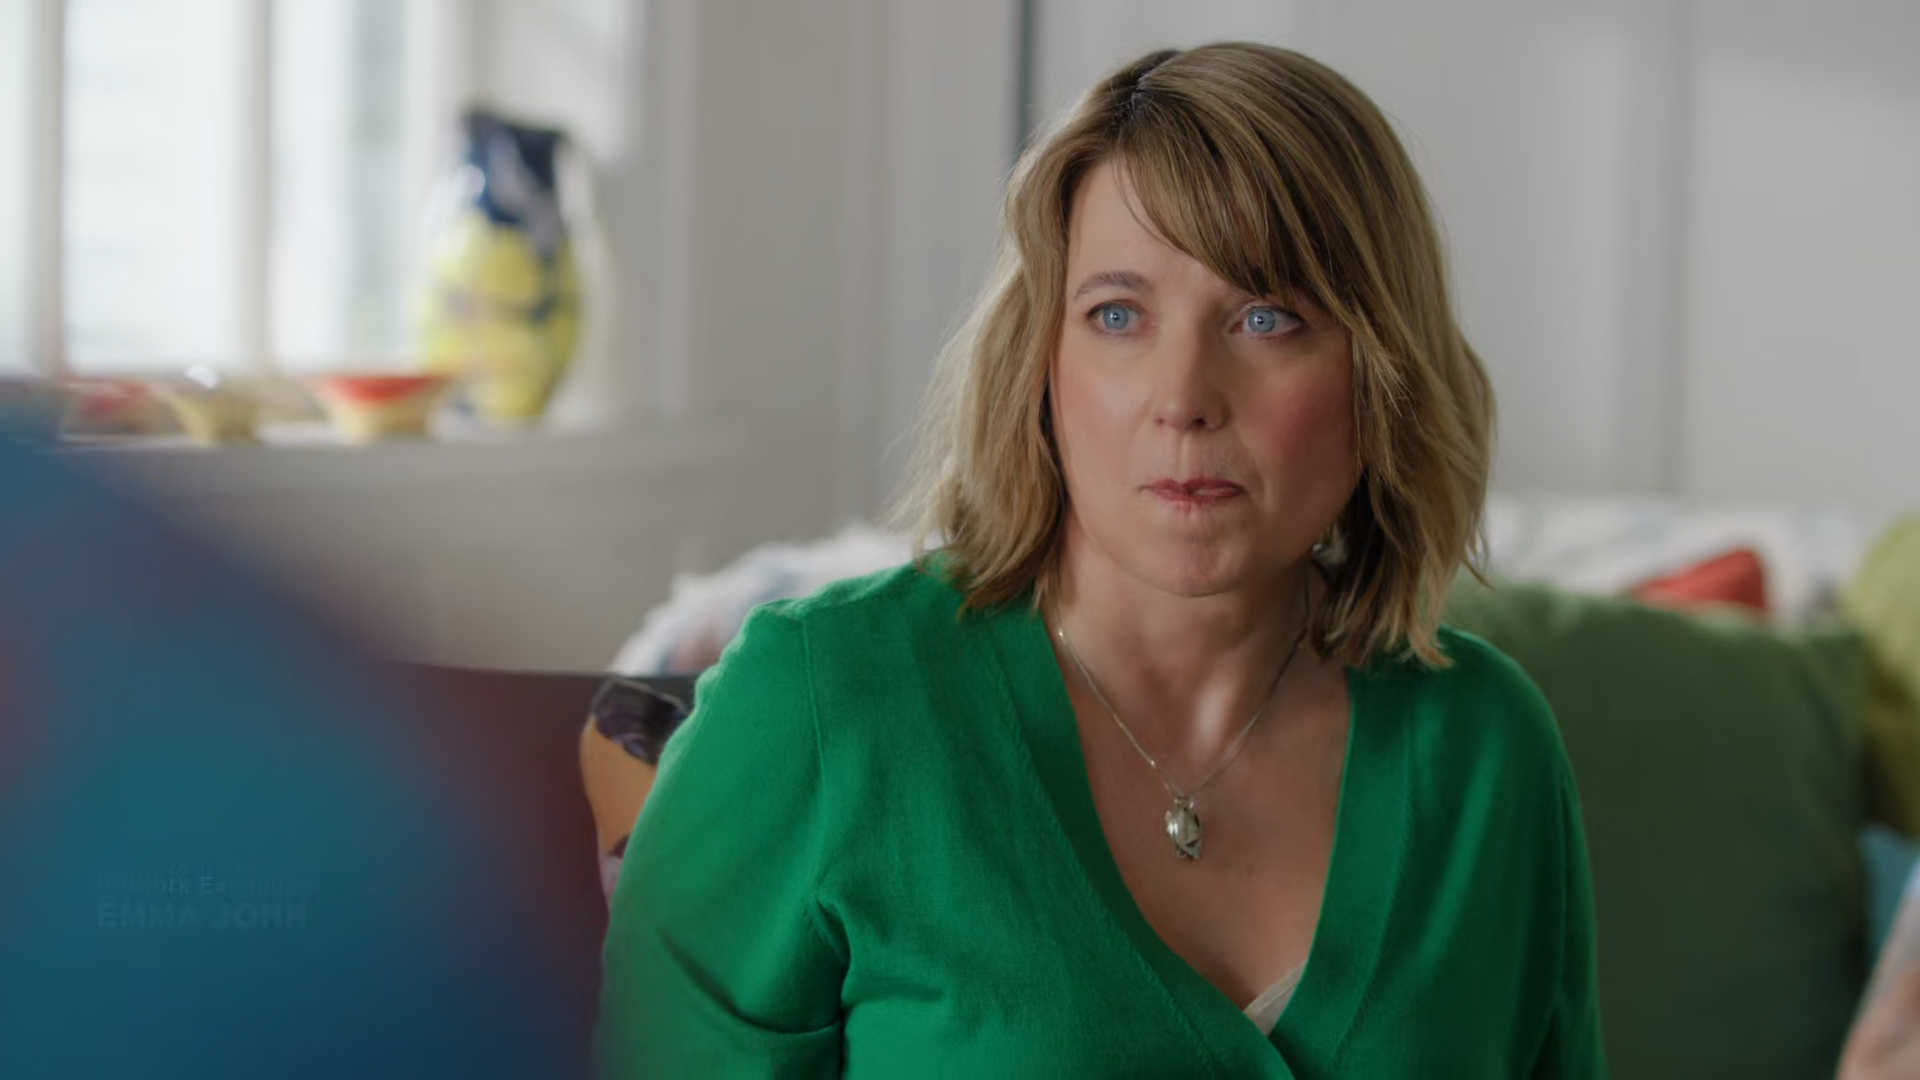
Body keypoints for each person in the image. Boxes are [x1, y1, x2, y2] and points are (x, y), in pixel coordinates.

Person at [596, 42, 1606, 1077]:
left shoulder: (1490, 751)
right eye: (1117, 315)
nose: (1184, 397)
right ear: (1041, 362)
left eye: (1267, 317)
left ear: (1379, 370)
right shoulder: (817, 706)